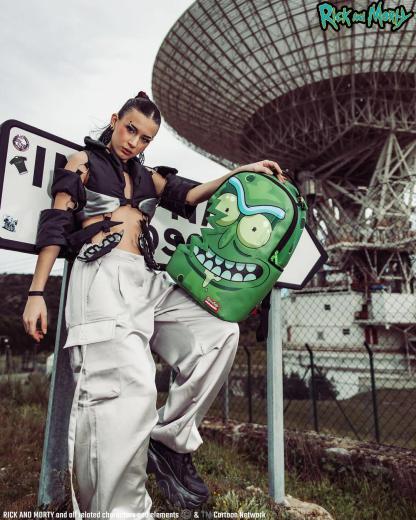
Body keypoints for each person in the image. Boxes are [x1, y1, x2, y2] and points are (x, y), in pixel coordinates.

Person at [22, 91, 285, 517]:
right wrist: (36, 293)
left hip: (147, 279)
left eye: (145, 138)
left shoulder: (148, 178)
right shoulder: (82, 164)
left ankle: (168, 441)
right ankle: (118, 511)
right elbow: (55, 224)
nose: (134, 142)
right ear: (115, 120)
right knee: (128, 392)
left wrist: (242, 172)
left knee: (218, 334)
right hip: (101, 276)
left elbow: (193, 195)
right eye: (130, 129)